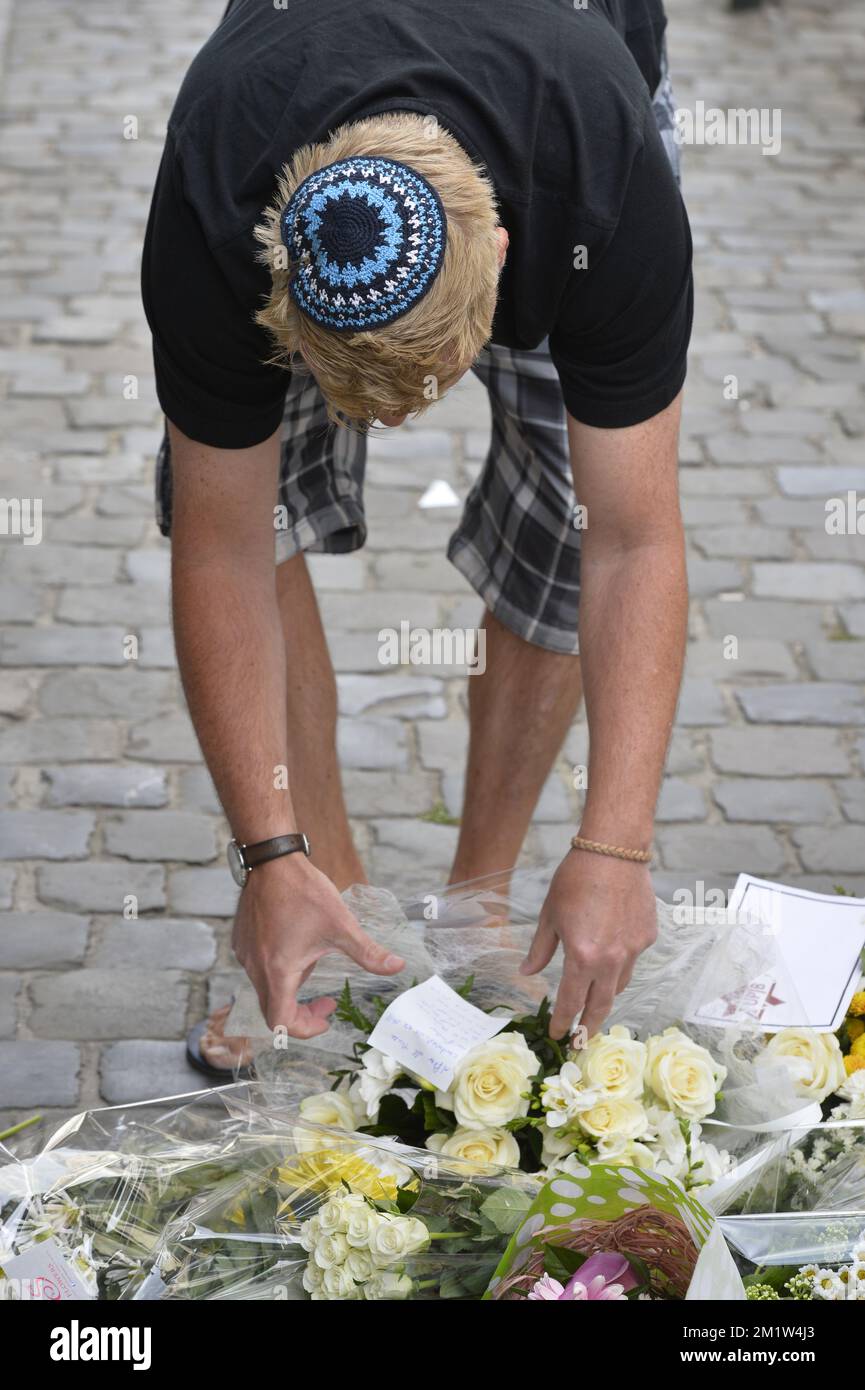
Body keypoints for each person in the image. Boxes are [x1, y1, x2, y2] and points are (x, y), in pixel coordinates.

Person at [141, 0, 692, 1076]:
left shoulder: (599, 172)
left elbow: (631, 540)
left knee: (561, 522)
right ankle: (335, 909)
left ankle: (478, 916)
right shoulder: (221, 178)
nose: (397, 425)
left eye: (420, 389)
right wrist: (269, 853)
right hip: (292, 95)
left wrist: (615, 845)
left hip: (566, 102)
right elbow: (223, 547)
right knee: (263, 500)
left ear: (499, 249)